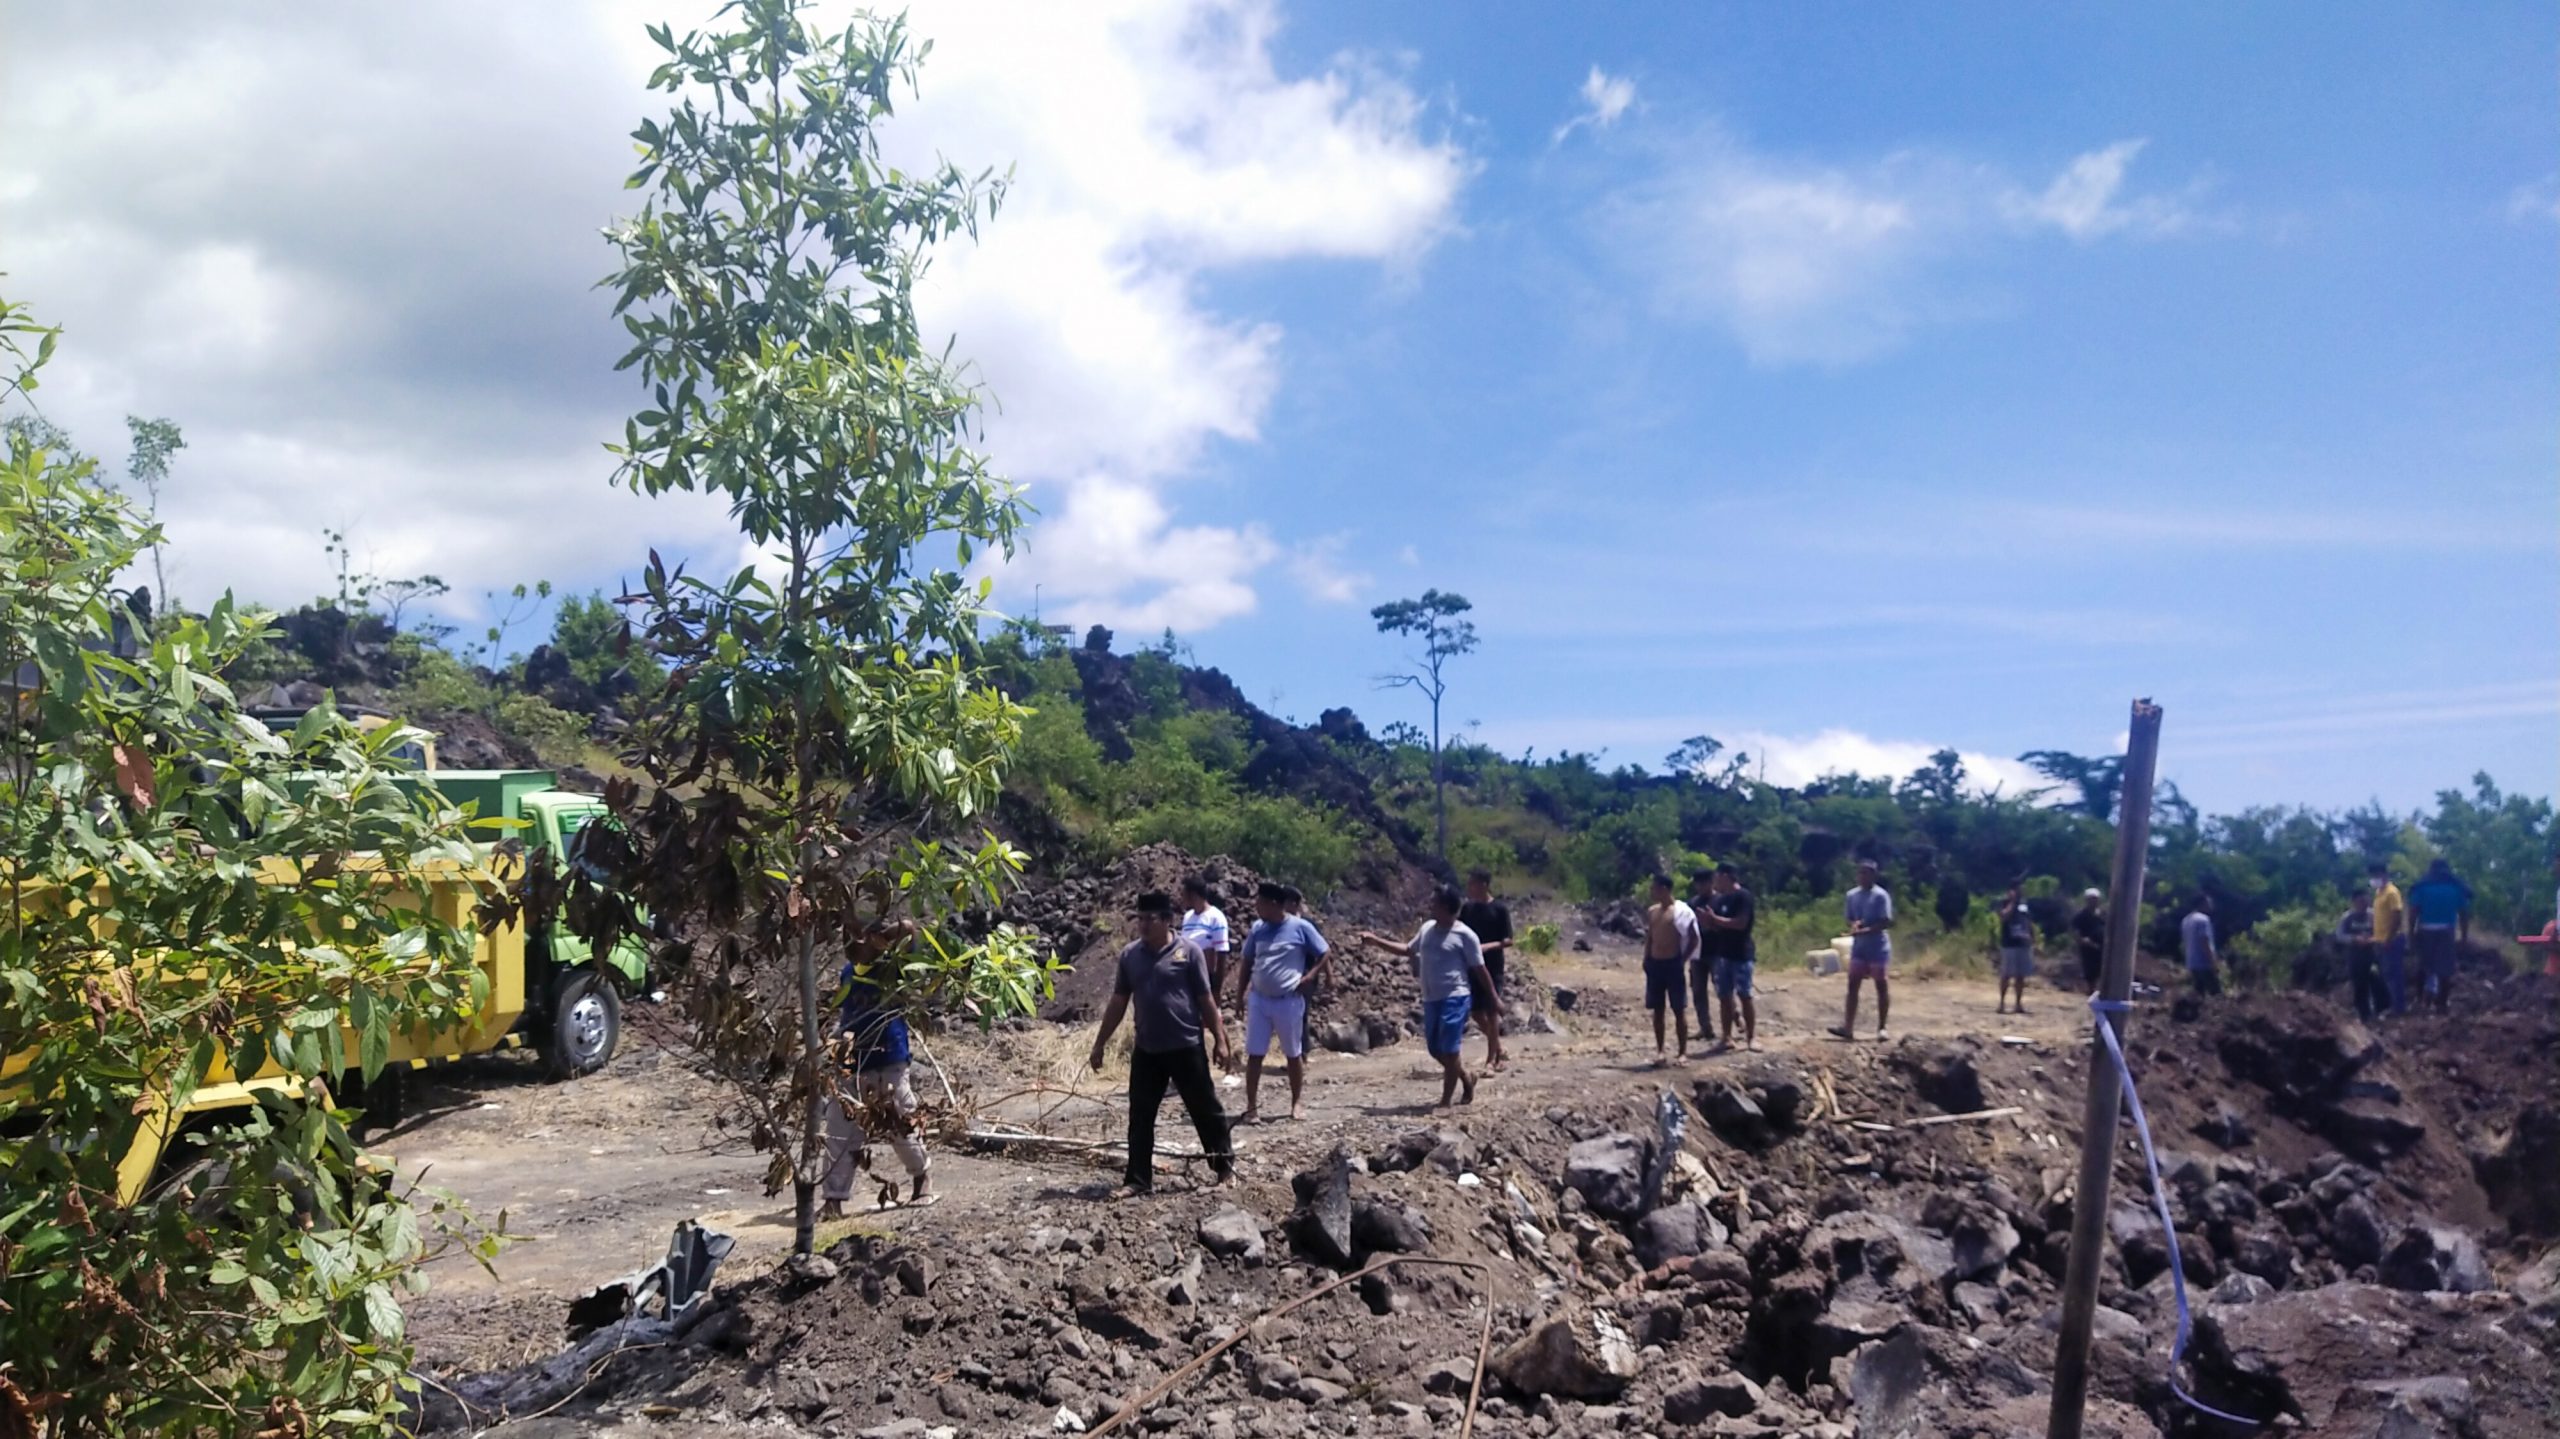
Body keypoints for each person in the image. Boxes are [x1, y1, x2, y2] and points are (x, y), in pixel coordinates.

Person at [1086, 891, 1235, 1196]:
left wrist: (1220, 1039)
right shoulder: (1130, 956)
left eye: (1150, 918)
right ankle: (1138, 1180)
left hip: (1185, 1045)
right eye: (1139, 918)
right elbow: (1118, 1001)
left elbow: (1205, 999)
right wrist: (1100, 1043)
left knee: (1205, 1110)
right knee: (1140, 1115)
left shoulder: (1189, 952)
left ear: (1168, 920)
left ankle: (1224, 1168)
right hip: (1148, 1050)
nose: (1143, 924)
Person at [1355, 885, 1492, 1111]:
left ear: (1447, 907)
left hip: (1455, 996)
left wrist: (1494, 999)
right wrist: (1376, 941)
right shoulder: (1427, 928)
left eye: (1435, 903)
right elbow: (1408, 949)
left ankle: (1446, 1101)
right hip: (1431, 998)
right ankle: (1466, 1078)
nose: (1430, 906)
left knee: (1450, 1050)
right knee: (1435, 1050)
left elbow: (1480, 969)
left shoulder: (1466, 935)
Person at [819, 960, 931, 1219]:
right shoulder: (848, 971)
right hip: (852, 1063)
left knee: (902, 1127)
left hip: (889, 1061)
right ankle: (833, 1200)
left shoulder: (895, 967)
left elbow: (912, 936)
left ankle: (922, 1178)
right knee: (839, 1131)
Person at [1234, 881, 1330, 1123]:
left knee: (1293, 1053)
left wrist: (1310, 976)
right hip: (1259, 999)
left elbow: (1324, 951)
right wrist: (1239, 996)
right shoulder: (1258, 929)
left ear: (1274, 905)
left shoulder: (1300, 927)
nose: (1256, 907)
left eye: (1261, 903)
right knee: (1255, 1054)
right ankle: (1251, 1107)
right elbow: (1246, 962)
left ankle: (1296, 1103)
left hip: (1288, 1000)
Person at [1457, 869, 1514, 1072]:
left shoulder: (1499, 909)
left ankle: (1492, 1060)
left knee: (1491, 1013)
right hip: (1471, 966)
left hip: (1492, 967)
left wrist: (1487, 946)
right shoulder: (1468, 909)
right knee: (1475, 1012)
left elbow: (1508, 940)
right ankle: (1498, 1046)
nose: (1469, 887)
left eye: (1472, 883)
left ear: (1484, 884)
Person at [1832, 859, 1893, 1041]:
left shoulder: (1881, 896)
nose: (1862, 877)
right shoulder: (1852, 895)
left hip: (1877, 947)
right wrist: (1854, 925)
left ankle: (1882, 1027)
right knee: (1852, 986)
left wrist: (1865, 930)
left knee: (1881, 986)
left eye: (1866, 873)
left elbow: (1886, 921)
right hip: (1859, 947)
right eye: (1860, 873)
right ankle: (1848, 1027)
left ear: (1874, 875)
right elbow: (1850, 918)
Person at [1641, 873, 1699, 1063]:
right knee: (1657, 1010)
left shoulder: (1681, 912)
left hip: (1672, 964)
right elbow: (1650, 936)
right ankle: (1660, 1051)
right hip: (1655, 964)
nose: (1652, 891)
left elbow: (1694, 938)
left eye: (1654, 888)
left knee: (1678, 1009)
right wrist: (1646, 958)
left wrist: (1682, 960)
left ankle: (1682, 1052)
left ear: (1664, 889)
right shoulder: (1652, 911)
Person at [2405, 857, 2474, 1013]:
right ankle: (2442, 1003)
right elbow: (2463, 915)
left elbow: (2413, 913)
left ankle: (2420, 1000)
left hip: (2425, 930)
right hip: (2446, 932)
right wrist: (2464, 937)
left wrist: (2410, 933)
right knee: (2445, 969)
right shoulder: (2456, 888)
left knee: (2423, 966)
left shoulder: (2421, 887)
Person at [1702, 863, 1758, 1051]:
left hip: (1741, 954)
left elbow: (1741, 924)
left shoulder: (1743, 897)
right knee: (1724, 997)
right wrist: (1709, 922)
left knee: (1744, 995)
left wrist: (1715, 920)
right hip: (1723, 954)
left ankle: (1751, 1038)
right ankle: (1726, 1037)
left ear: (1726, 876)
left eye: (1717, 877)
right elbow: (1719, 928)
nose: (1715, 882)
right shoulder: (1719, 900)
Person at [1180, 876, 1233, 997]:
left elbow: (1221, 955)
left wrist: (1216, 990)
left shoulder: (1216, 918)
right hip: (1186, 979)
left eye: (1184, 894)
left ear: (1193, 895)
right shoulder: (1187, 917)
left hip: (1205, 979)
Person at [2336, 886, 2383, 1021]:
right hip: (2355, 956)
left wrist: (2372, 939)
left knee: (2377, 983)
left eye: (2365, 900)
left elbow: (2381, 931)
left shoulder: (2373, 915)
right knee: (2359, 985)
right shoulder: (2347, 917)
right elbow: (2339, 935)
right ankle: (2364, 1015)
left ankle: (2380, 1010)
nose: (2363, 904)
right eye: (2359, 901)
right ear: (2354, 902)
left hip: (2373, 954)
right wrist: (2354, 939)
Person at [2370, 862, 2409, 1016]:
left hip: (2391, 940)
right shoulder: (2379, 892)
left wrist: (2388, 938)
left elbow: (2397, 916)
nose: (2373, 879)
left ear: (2384, 874)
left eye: (2376, 875)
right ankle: (2391, 1006)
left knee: (2394, 975)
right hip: (2379, 940)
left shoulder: (2392, 892)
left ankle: (2399, 1008)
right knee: (2386, 975)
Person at [1995, 883, 2037, 1016]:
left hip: (2023, 944)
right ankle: (2002, 1003)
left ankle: (2018, 1003)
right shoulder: (2004, 903)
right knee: (2006, 975)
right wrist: (2012, 902)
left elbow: (2028, 922)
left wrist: (2032, 936)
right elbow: (2003, 917)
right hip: (2009, 944)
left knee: (2021, 976)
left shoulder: (2024, 905)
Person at [2181, 894, 2224, 997]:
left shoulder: (2186, 920)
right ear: (2202, 904)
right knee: (2216, 994)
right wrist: (2213, 962)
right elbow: (2204, 941)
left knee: (2199, 994)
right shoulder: (2203, 920)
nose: (2211, 905)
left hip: (2192, 962)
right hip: (2204, 963)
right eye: (2209, 903)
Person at [2070, 888, 2107, 990]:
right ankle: (2092, 992)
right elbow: (2076, 933)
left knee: (2104, 972)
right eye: (2091, 899)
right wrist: (2084, 941)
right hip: (2089, 949)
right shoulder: (2080, 916)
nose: (2093, 902)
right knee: (2091, 973)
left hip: (2103, 948)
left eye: (2095, 899)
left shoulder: (2103, 915)